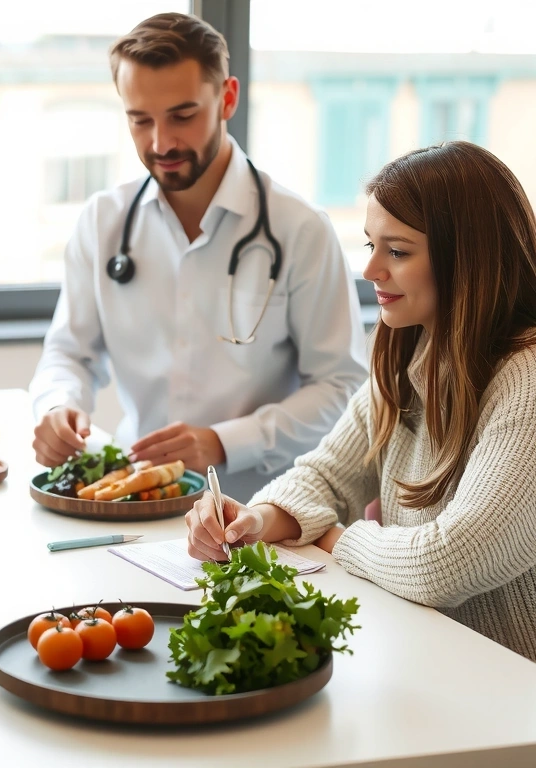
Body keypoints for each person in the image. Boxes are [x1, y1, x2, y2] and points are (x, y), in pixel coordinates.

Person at [186, 141, 536, 662]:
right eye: (371, 244)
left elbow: (449, 563)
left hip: (509, 690)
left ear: (468, 259)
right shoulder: (409, 350)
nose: (371, 270)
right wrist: (257, 517)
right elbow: (327, 476)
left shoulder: (525, 384)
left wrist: (335, 539)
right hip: (429, 662)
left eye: (397, 252)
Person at [29, 12, 367, 503]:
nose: (160, 143)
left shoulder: (300, 229)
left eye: (182, 116)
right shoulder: (103, 222)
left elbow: (342, 389)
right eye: (139, 120)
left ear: (227, 98)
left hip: (260, 510)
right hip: (135, 503)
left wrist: (224, 443)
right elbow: (69, 353)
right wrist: (58, 406)